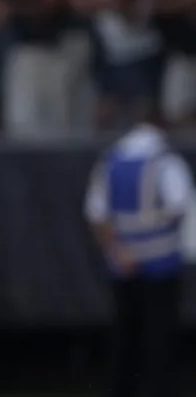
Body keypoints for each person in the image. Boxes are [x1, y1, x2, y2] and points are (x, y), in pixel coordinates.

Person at [84, 102, 195, 397]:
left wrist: (118, 250)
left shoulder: (110, 160)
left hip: (123, 262)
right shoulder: (165, 162)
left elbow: (97, 214)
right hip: (161, 262)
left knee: (125, 332)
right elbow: (180, 204)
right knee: (159, 335)